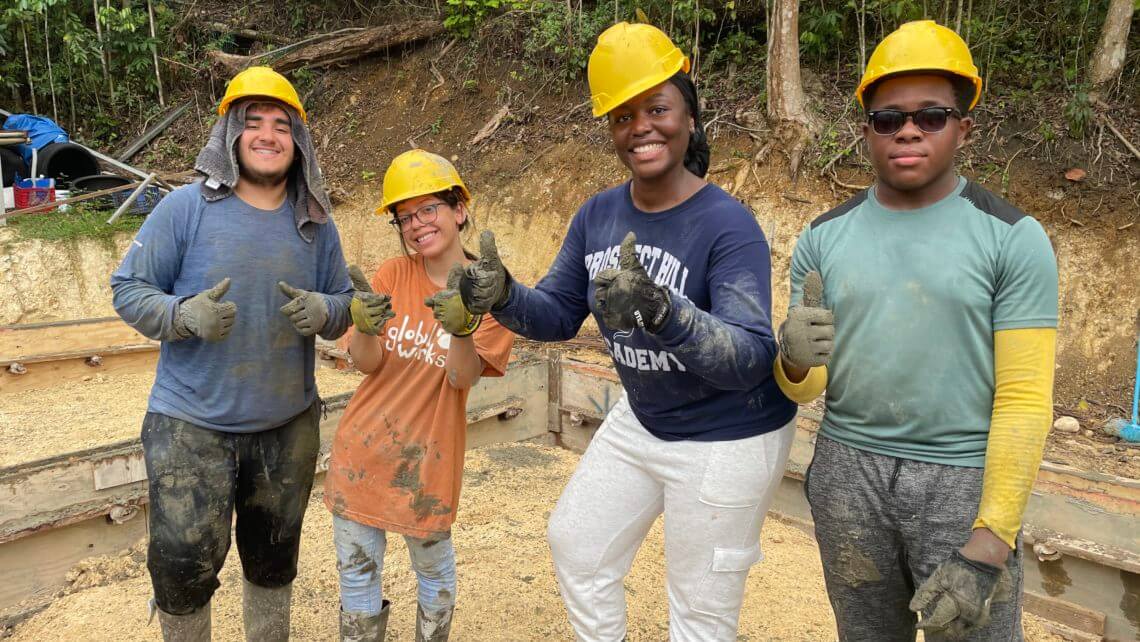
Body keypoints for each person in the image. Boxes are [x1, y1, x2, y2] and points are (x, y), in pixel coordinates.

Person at [458, 22, 796, 642]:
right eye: (622, 115)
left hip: (730, 434)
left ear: (689, 118)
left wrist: (665, 313)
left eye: (657, 108)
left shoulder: (728, 225)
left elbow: (750, 355)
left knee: (699, 612)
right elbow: (558, 314)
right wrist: (503, 295)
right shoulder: (599, 214)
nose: (640, 126)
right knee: (579, 545)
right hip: (646, 417)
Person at [774, 20, 1058, 641]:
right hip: (849, 472)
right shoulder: (825, 238)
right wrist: (791, 359)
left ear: (964, 128)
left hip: (963, 481)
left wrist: (991, 539)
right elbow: (807, 385)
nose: (907, 129)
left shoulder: (1013, 238)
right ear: (867, 130)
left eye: (932, 115)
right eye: (888, 117)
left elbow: (1025, 399)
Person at [110, 66, 353, 641]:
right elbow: (128, 288)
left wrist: (326, 310)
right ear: (229, 137)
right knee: (181, 564)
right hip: (190, 426)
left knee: (273, 562)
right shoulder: (184, 209)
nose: (267, 136)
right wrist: (181, 315)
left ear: (299, 141)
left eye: (281, 125)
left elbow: (345, 301)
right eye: (253, 124)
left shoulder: (316, 225)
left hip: (287, 426)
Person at [323, 149, 515, 642]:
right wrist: (363, 325)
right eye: (405, 217)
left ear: (459, 210)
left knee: (434, 572)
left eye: (428, 209)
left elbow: (461, 378)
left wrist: (464, 327)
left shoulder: (489, 293)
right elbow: (366, 363)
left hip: (428, 463)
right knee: (358, 573)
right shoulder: (392, 274)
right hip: (362, 455)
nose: (416, 225)